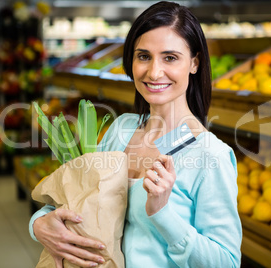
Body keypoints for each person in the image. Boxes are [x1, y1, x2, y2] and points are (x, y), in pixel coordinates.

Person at [29, 1, 242, 267]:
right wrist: (39, 223)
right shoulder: (121, 130)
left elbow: (227, 262)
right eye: (144, 56)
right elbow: (77, 194)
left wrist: (163, 213)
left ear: (194, 63)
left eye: (170, 57)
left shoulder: (211, 156)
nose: (154, 72)